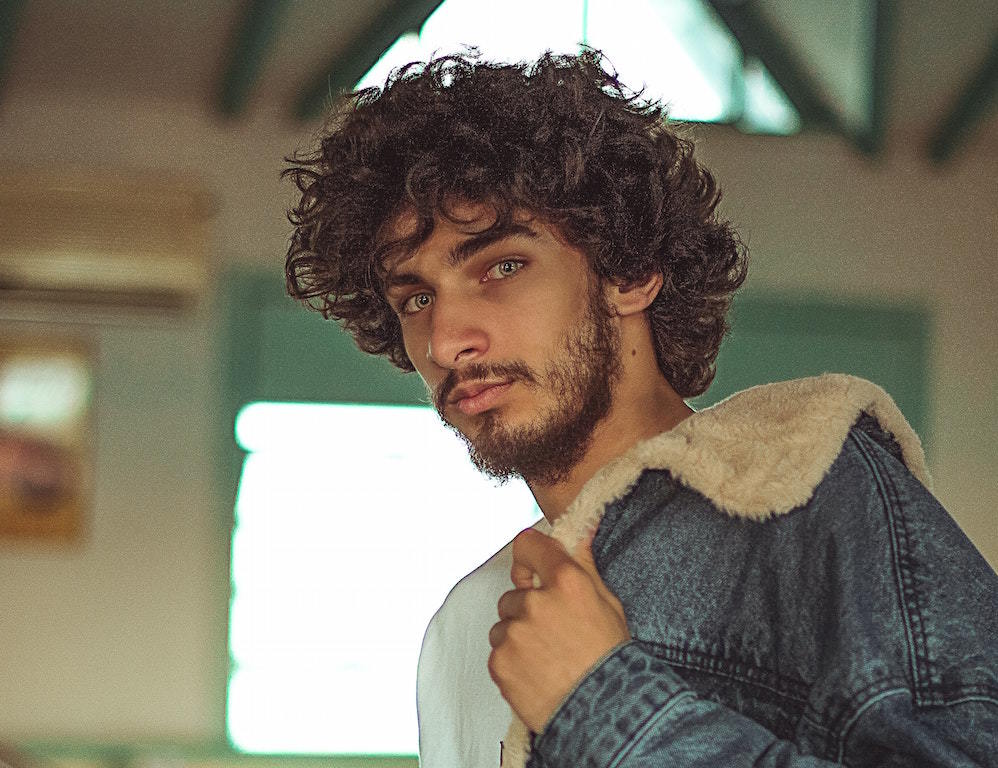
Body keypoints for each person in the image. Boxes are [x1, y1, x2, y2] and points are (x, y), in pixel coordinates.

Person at [283, 50, 998, 767]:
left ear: (631, 271)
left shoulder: (811, 490)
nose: (444, 340)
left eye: (501, 266)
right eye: (416, 298)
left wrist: (603, 701)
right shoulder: (463, 627)